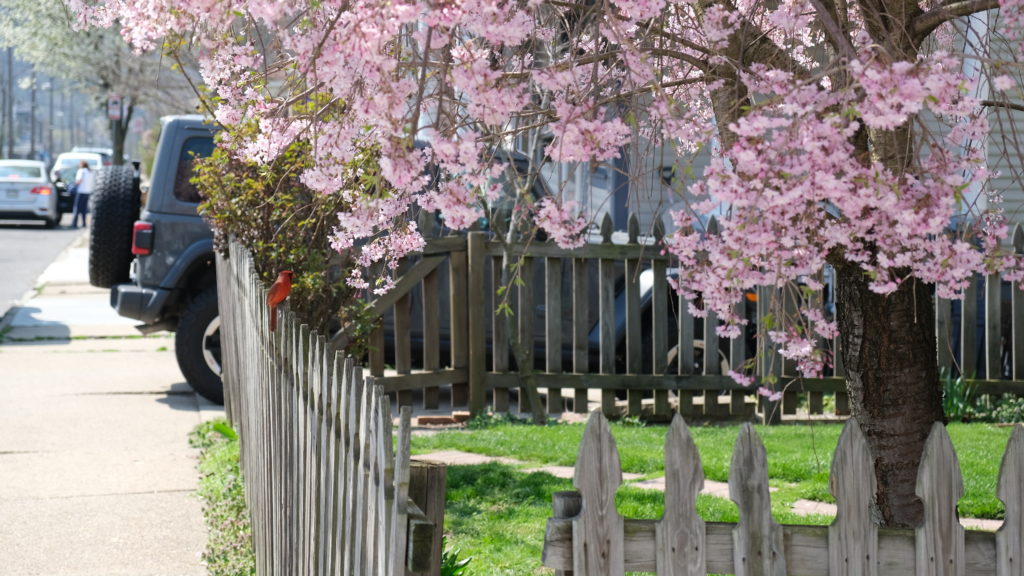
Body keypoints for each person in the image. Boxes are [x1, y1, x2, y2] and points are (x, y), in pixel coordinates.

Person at [71, 160, 95, 228]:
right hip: (88, 192)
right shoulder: (90, 172)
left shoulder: (81, 171)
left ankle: (74, 223)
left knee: (77, 207)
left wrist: (74, 184)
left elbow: (78, 181)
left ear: (81, 165)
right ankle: (84, 223)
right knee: (84, 208)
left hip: (81, 191)